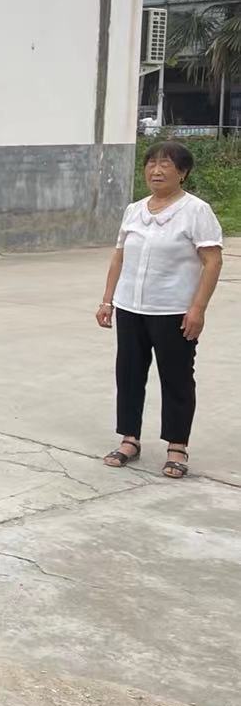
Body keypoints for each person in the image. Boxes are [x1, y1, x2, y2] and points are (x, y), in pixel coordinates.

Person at [96, 140, 223, 479]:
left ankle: (177, 447)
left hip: (173, 311)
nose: (156, 170)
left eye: (166, 164)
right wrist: (108, 300)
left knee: (177, 378)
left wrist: (198, 309)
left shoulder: (196, 211)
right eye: (151, 163)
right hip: (131, 308)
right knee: (129, 374)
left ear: (183, 172)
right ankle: (129, 439)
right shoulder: (134, 210)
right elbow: (119, 256)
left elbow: (212, 262)